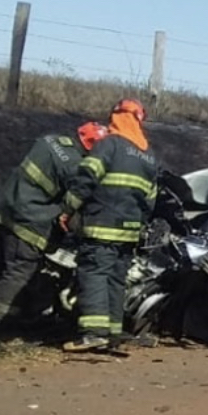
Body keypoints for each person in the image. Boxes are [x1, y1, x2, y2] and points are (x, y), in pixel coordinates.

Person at [0, 121, 110, 336]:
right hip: (29, 222)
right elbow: (81, 197)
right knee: (17, 274)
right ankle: (0, 326)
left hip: (3, 213)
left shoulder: (50, 140)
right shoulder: (76, 166)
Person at [60, 98, 158, 352]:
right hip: (129, 231)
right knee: (116, 279)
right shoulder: (148, 157)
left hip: (102, 224)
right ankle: (114, 332)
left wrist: (68, 208)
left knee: (93, 274)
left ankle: (94, 333)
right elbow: (150, 199)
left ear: (117, 117)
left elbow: (86, 177)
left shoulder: (109, 145)